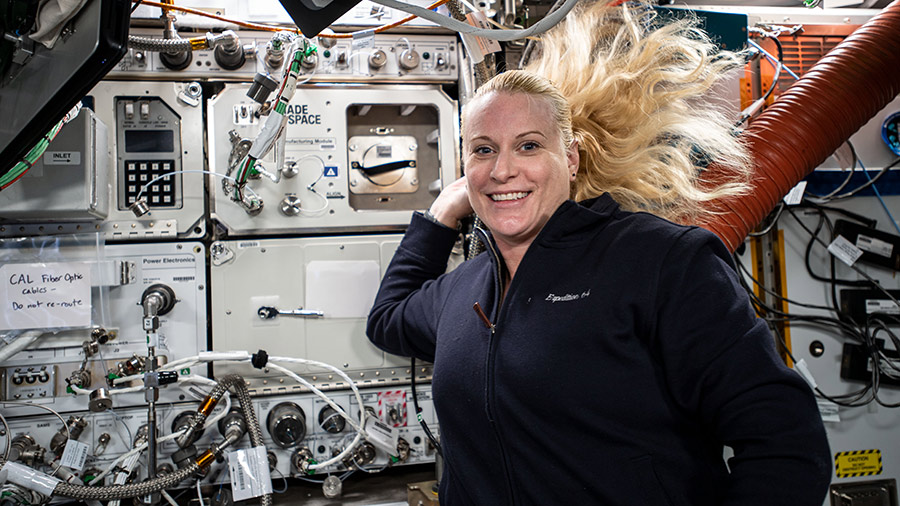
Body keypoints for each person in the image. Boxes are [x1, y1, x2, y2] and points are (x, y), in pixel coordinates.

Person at [367, 2, 832, 504]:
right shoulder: (464, 289)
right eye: (483, 149)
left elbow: (785, 443)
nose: (502, 170)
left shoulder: (660, 262)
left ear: (570, 157)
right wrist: (441, 212)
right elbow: (387, 317)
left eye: (527, 146)